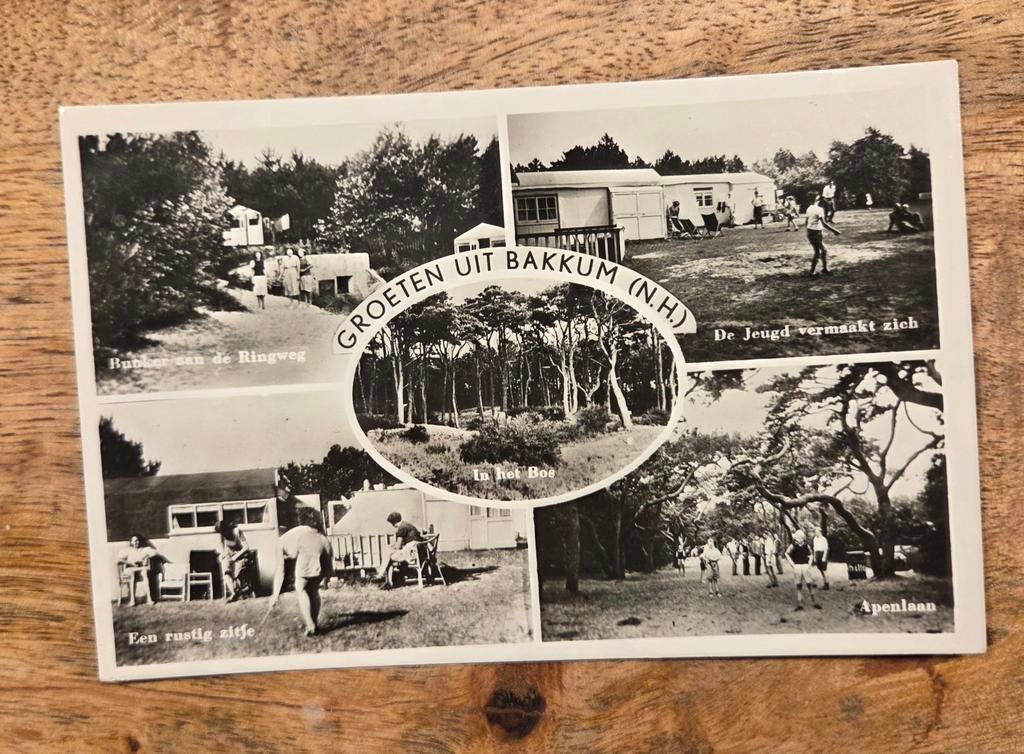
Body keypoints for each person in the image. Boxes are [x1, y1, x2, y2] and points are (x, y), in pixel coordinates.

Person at [270, 508, 333, 636]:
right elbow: (327, 553)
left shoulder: (281, 542)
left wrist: (275, 594)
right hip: (320, 558)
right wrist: (328, 573)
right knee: (314, 591)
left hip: (306, 561)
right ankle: (314, 623)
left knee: (301, 588)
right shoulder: (313, 532)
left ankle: (310, 625)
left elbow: (281, 569)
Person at [380, 511, 426, 589]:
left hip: (411, 554)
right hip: (417, 551)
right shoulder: (407, 525)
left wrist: (392, 547)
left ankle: (384, 577)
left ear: (393, 523)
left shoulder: (401, 528)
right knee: (389, 554)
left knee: (388, 556)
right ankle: (385, 578)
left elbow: (398, 546)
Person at [215, 520, 253, 601]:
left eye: (224, 531)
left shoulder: (237, 532)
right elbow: (224, 549)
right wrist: (222, 555)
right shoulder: (222, 536)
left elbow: (246, 547)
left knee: (238, 572)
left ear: (228, 529)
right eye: (222, 532)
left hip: (241, 555)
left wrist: (234, 557)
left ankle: (241, 591)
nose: (224, 534)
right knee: (225, 569)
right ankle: (233, 593)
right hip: (230, 556)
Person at [805, 191, 841, 276]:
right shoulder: (819, 209)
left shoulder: (809, 208)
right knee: (822, 250)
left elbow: (806, 222)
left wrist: (810, 229)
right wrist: (834, 231)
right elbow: (824, 223)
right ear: (816, 198)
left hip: (810, 232)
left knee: (819, 251)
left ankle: (819, 269)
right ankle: (815, 270)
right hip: (816, 233)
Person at [785, 530, 822, 611]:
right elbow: (786, 553)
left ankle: (814, 602)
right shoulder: (793, 545)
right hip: (797, 566)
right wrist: (792, 563)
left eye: (800, 537)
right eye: (797, 537)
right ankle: (799, 604)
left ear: (803, 538)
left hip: (805, 566)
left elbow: (811, 554)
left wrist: (809, 563)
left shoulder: (806, 546)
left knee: (809, 584)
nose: (798, 539)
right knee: (799, 585)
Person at [118, 535, 159, 605]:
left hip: (139, 568)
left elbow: (155, 553)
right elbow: (118, 560)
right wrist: (129, 562)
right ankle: (132, 600)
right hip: (130, 569)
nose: (137, 542)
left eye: (138, 540)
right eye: (135, 541)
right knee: (132, 575)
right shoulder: (128, 550)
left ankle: (149, 599)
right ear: (131, 542)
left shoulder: (143, 549)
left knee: (144, 573)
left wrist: (146, 556)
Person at [813, 526, 830, 590]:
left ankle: (827, 584)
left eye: (817, 532)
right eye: (815, 532)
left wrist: (824, 557)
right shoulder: (815, 539)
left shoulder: (823, 539)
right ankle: (824, 583)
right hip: (817, 554)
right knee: (820, 569)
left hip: (822, 554)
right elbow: (814, 549)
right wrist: (815, 557)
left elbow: (826, 548)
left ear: (820, 532)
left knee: (824, 570)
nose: (816, 533)